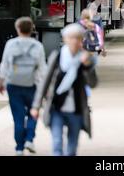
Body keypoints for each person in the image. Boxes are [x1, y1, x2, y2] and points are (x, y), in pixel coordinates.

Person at [30, 23, 98, 156]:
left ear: (82, 40)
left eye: (78, 38)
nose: (74, 41)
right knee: (57, 144)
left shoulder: (86, 59)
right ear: (65, 39)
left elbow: (93, 83)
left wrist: (88, 67)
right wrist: (36, 106)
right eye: (71, 37)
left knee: (72, 149)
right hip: (57, 108)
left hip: (77, 109)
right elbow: (45, 81)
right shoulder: (57, 56)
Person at [0, 17, 47, 155]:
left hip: (13, 84)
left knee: (18, 117)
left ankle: (19, 148)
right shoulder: (38, 46)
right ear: (32, 29)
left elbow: (5, 64)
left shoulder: (11, 44)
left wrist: (2, 81)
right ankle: (29, 139)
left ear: (18, 29)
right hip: (33, 84)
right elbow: (42, 68)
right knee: (34, 112)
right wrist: (45, 87)